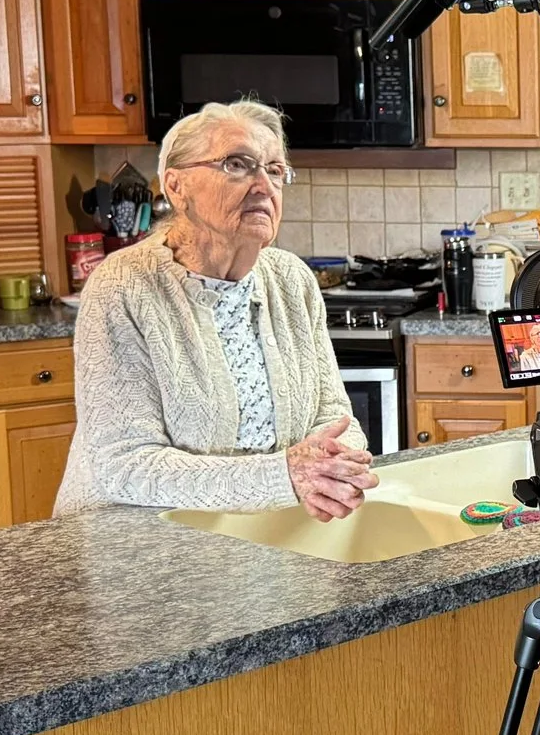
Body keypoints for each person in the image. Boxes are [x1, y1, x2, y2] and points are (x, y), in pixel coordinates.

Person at [56, 99, 380, 517]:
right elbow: (124, 465)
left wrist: (334, 471)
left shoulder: (291, 279)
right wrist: (286, 477)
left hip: (275, 531)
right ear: (177, 186)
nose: (263, 185)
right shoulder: (123, 286)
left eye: (275, 170)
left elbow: (335, 417)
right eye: (237, 165)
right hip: (138, 541)